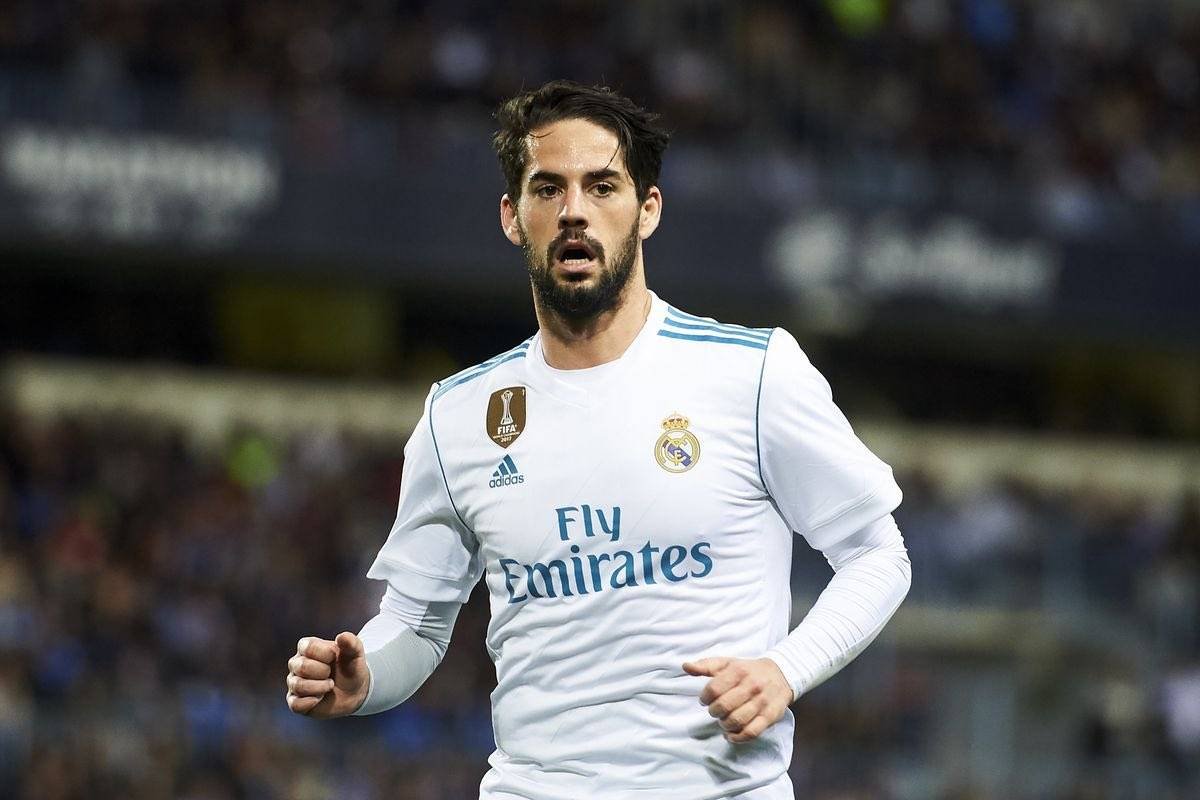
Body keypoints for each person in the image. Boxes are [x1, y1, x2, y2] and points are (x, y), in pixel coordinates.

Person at [285, 80, 912, 800]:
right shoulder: (457, 417)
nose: (574, 210)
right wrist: (365, 675)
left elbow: (877, 555)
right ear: (512, 217)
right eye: (547, 188)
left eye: (602, 186)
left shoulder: (753, 373)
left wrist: (785, 670)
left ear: (648, 210)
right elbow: (417, 624)